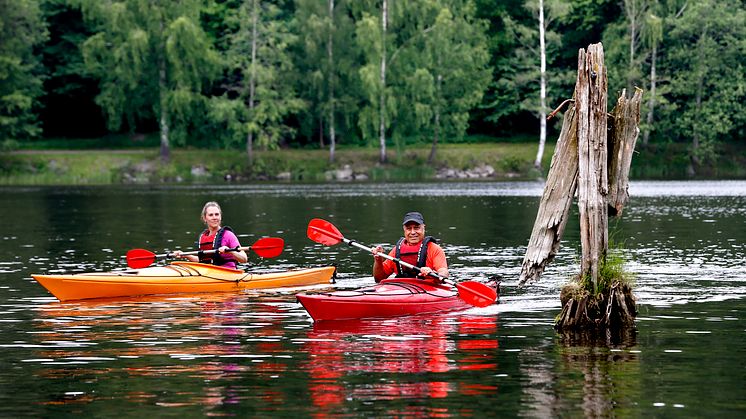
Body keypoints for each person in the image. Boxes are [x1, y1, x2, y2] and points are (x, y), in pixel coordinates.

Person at [372, 211, 449, 283]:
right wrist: (378, 260)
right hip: (403, 288)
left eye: (416, 228)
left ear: (423, 228)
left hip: (428, 288)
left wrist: (433, 273)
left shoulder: (434, 249)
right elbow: (379, 279)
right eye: (409, 228)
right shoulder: (396, 250)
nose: (412, 232)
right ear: (404, 230)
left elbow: (444, 273)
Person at [173, 201, 248, 269]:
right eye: (211, 215)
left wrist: (231, 251)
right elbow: (202, 260)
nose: (214, 217)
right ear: (205, 218)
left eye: (217, 214)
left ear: (220, 217)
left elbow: (244, 259)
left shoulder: (228, 235)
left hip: (228, 273)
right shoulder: (203, 236)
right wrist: (185, 255)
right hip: (209, 273)